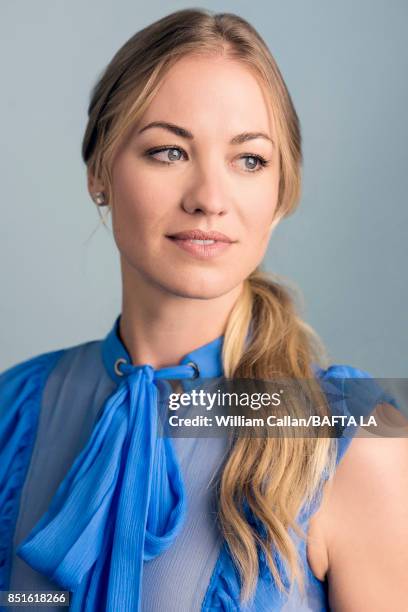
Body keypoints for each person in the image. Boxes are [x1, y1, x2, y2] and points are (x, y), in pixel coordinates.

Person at [0, 8, 407, 612]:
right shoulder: (16, 410)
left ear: (280, 192)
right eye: (168, 152)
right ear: (99, 173)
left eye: (249, 160)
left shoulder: (361, 442)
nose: (209, 200)